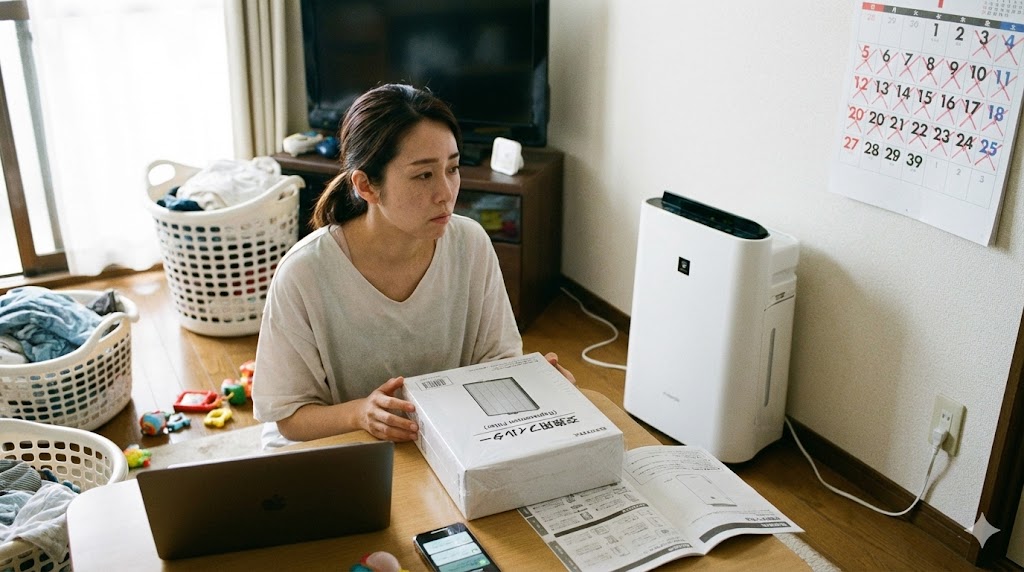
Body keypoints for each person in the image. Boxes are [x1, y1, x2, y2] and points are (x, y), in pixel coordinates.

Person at [252, 84, 574, 449]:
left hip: (447, 439)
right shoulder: (304, 273)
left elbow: (496, 360)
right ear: (366, 186)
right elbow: (289, 419)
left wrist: (532, 380)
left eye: (452, 168)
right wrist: (359, 413)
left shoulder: (471, 243)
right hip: (344, 444)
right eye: (424, 175)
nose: (446, 192)